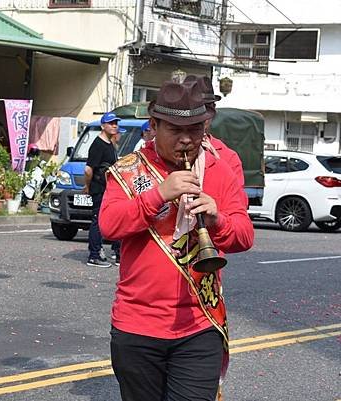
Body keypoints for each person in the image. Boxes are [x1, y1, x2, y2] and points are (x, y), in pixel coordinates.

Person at [100, 80, 254, 401]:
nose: (187, 139)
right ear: (154, 126)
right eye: (175, 130)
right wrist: (158, 195)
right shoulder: (129, 170)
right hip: (136, 326)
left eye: (195, 130)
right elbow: (109, 226)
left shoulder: (219, 169)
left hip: (200, 326)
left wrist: (217, 219)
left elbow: (244, 235)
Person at [184, 75, 245, 188]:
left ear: (213, 111)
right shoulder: (159, 151)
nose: (199, 115)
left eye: (205, 108)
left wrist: (214, 206)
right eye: (191, 108)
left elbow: (238, 202)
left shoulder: (228, 157)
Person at [83, 111, 123, 268]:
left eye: (116, 123)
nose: (114, 125)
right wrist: (87, 186)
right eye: (111, 123)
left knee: (108, 220)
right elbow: (88, 169)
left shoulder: (109, 144)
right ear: (103, 125)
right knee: (97, 221)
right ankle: (94, 255)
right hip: (98, 188)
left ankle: (110, 251)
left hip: (108, 189)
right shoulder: (98, 144)